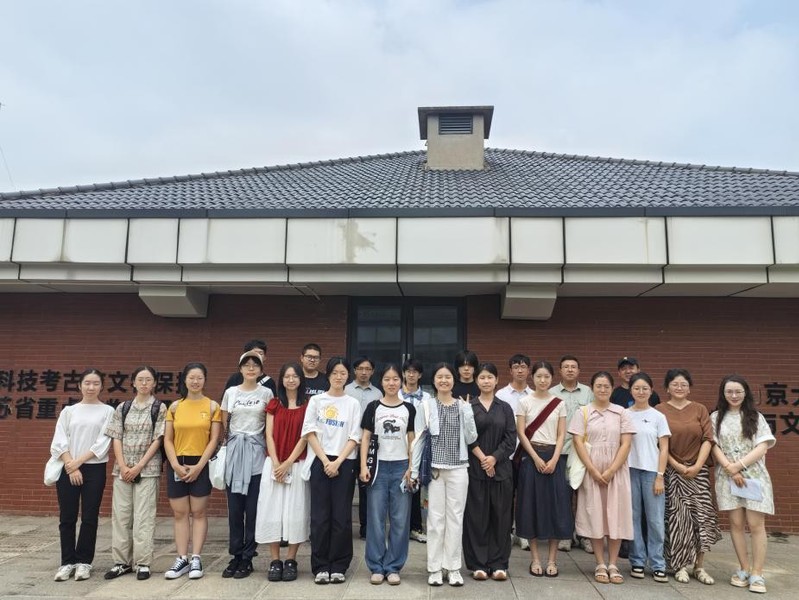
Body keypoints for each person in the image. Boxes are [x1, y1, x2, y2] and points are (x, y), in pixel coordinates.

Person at [411, 362, 478, 587]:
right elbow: (419, 439)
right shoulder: (426, 406)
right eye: (439, 376)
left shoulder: (463, 406)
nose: (444, 380)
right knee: (435, 519)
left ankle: (453, 567)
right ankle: (435, 568)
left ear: (454, 380)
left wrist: (468, 413)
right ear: (434, 380)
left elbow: (472, 438)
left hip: (459, 468)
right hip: (435, 470)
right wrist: (414, 471)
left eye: (448, 377)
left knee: (456, 518)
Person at [569, 371, 635, 585]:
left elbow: (626, 443)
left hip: (617, 471)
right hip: (592, 470)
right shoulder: (583, 412)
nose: (603, 389)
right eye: (598, 386)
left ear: (612, 388)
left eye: (606, 386)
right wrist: (594, 470)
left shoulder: (622, 412)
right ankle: (599, 563)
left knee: (617, 515)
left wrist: (611, 470)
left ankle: (613, 564)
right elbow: (578, 442)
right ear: (592, 388)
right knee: (595, 515)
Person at [711, 375, 775, 594]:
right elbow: (713, 445)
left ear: (745, 393)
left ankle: (757, 573)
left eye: (738, 391)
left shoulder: (755, 417)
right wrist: (730, 468)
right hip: (727, 476)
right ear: (723, 394)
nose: (734, 395)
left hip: (754, 476)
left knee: (756, 525)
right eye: (729, 391)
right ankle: (743, 568)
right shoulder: (716, 417)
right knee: (736, 524)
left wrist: (738, 466)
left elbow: (763, 446)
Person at [655, 368, 720, 585]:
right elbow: (659, 444)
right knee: (678, 519)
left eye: (683, 384)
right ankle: (680, 565)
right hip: (672, 472)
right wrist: (677, 466)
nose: (679, 388)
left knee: (702, 518)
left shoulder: (700, 409)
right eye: (675, 384)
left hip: (698, 473)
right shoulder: (660, 410)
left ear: (689, 388)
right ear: (667, 388)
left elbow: (708, 439)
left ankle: (699, 566)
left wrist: (698, 465)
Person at [50, 368, 115, 582]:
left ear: (101, 386)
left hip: (94, 468)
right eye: (87, 383)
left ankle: (84, 562)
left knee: (89, 516)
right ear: (79, 385)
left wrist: (78, 462)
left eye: (95, 383)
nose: (91, 387)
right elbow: (59, 440)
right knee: (67, 517)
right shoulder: (69, 411)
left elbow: (103, 442)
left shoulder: (108, 411)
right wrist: (71, 464)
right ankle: (67, 562)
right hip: (67, 467)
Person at [301, 357, 362, 584]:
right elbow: (309, 432)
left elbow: (354, 436)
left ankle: (338, 565)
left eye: (343, 373)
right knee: (320, 517)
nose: (339, 377)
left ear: (348, 376)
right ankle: (320, 566)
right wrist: (326, 461)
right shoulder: (317, 401)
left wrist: (337, 462)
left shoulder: (353, 403)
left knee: (341, 517)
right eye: (335, 372)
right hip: (320, 460)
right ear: (328, 375)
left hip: (344, 463)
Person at [104, 366, 167, 581]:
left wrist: (139, 466)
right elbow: (117, 437)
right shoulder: (123, 407)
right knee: (121, 516)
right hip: (122, 471)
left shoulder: (159, 407)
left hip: (147, 470)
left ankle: (143, 563)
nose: (144, 383)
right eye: (140, 379)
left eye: (148, 380)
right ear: (133, 382)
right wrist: (123, 466)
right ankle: (121, 562)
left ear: (154, 383)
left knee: (144, 517)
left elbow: (158, 439)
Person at [163, 362, 222, 580]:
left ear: (205, 380)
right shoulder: (174, 407)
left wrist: (199, 466)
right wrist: (175, 465)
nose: (195, 381)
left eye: (199, 378)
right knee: (180, 513)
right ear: (185, 380)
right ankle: (182, 558)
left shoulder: (212, 406)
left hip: (201, 463)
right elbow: (167, 439)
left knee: (198, 512)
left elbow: (214, 439)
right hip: (177, 462)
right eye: (191, 378)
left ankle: (196, 557)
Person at [360, 364, 416, 585]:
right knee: (375, 518)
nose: (391, 383)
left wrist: (411, 468)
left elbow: (412, 441)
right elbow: (365, 438)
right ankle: (376, 566)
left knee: (400, 520)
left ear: (401, 381)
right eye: (387, 379)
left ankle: (393, 566)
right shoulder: (373, 407)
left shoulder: (409, 409)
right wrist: (363, 466)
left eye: (395, 379)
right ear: (381, 382)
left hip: (401, 467)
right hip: (378, 468)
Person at [515, 361, 572, 578]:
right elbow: (521, 433)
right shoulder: (524, 402)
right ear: (533, 377)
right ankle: (536, 559)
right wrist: (536, 458)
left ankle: (552, 560)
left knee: (555, 508)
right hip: (532, 458)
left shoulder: (559, 403)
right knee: (531, 506)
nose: (542, 380)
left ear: (552, 378)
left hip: (554, 458)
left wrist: (555, 458)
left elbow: (561, 434)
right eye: (539, 376)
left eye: (546, 376)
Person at [255, 362, 310, 583]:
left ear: (300, 379)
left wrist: (288, 463)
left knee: (296, 511)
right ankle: (275, 560)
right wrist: (277, 462)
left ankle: (291, 560)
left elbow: (306, 437)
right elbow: (268, 435)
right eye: (287, 376)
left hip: (296, 464)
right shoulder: (274, 404)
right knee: (272, 510)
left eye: (295, 376)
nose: (291, 380)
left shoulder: (308, 404)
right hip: (273, 464)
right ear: (281, 380)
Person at [220, 352, 272, 579]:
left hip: (256, 454)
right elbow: (225, 424)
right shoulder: (231, 393)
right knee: (235, 509)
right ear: (240, 369)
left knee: (252, 510)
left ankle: (248, 557)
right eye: (246, 365)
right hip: (234, 455)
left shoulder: (267, 393)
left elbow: (269, 425)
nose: (251, 368)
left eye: (255, 365)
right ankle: (236, 554)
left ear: (261, 370)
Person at [463, 362, 515, 581]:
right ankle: (478, 564)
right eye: (482, 377)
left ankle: (499, 563)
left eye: (490, 377)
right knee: (477, 517)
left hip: (501, 470)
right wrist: (483, 459)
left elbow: (511, 438)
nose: (486, 381)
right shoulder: (468, 407)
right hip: (475, 469)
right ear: (477, 381)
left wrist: (494, 458)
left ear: (497, 380)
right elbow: (465, 437)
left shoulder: (505, 408)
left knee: (501, 518)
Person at [625, 372, 670, 583]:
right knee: (633, 518)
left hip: (652, 472)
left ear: (651, 391)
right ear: (631, 390)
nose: (641, 392)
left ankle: (658, 563)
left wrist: (660, 475)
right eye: (637, 388)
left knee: (655, 520)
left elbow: (664, 448)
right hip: (629, 470)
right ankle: (637, 561)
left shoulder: (658, 416)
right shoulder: (624, 414)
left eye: (645, 388)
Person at [549, 354, 594, 553]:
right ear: (560, 370)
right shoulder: (551, 393)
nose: (569, 370)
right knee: (563, 496)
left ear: (578, 370)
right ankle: (565, 535)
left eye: (573, 367)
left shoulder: (588, 392)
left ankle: (585, 536)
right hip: (560, 451)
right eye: (566, 366)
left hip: (583, 452)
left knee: (584, 495)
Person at [345, 357, 383, 539]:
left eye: (368, 369)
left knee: (366, 489)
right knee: (345, 489)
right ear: (354, 370)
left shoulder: (378, 393)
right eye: (360, 368)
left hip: (368, 447)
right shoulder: (346, 390)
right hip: (347, 446)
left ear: (372, 371)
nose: (364, 372)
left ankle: (366, 528)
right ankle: (344, 528)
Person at [399, 357, 431, 544]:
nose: (411, 375)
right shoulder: (396, 395)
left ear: (420, 375)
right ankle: (400, 529)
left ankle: (416, 528)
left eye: (415, 372)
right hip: (398, 447)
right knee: (399, 489)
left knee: (415, 488)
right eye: (408, 371)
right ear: (403, 374)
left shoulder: (427, 398)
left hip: (419, 447)